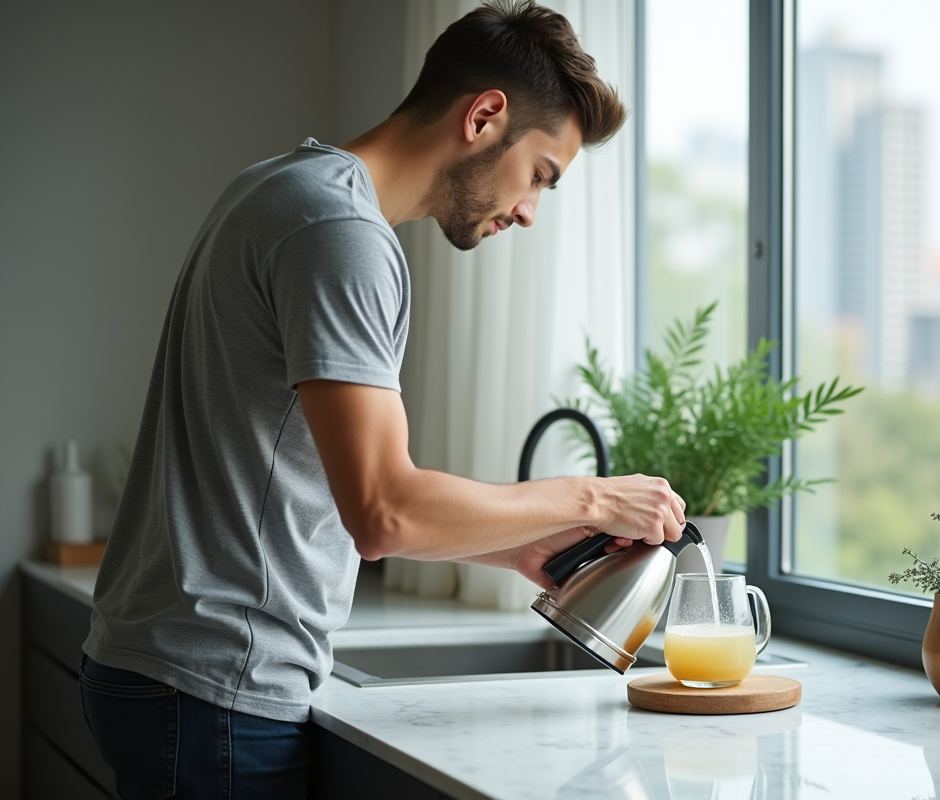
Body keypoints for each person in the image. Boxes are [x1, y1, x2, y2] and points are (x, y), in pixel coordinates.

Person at [80, 2, 685, 797]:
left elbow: (328, 496)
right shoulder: (341, 232)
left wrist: (513, 550)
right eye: (540, 173)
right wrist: (596, 497)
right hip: (216, 686)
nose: (532, 210)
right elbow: (385, 511)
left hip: (167, 670)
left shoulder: (283, 187)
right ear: (485, 116)